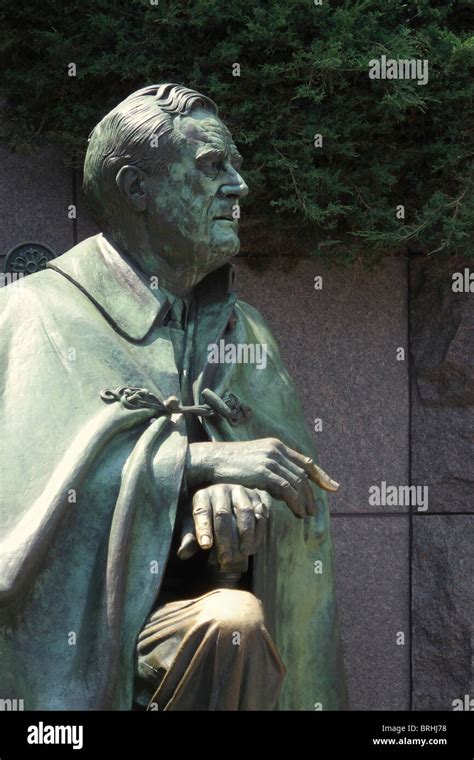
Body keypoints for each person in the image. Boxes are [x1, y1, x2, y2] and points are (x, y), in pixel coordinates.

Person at [0, 83, 347, 710]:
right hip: (77, 652)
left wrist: (241, 512)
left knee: (234, 625)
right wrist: (194, 466)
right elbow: (20, 516)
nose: (239, 187)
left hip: (204, 623)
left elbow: (306, 504)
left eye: (236, 166)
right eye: (214, 167)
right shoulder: (31, 316)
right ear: (137, 188)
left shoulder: (247, 332)